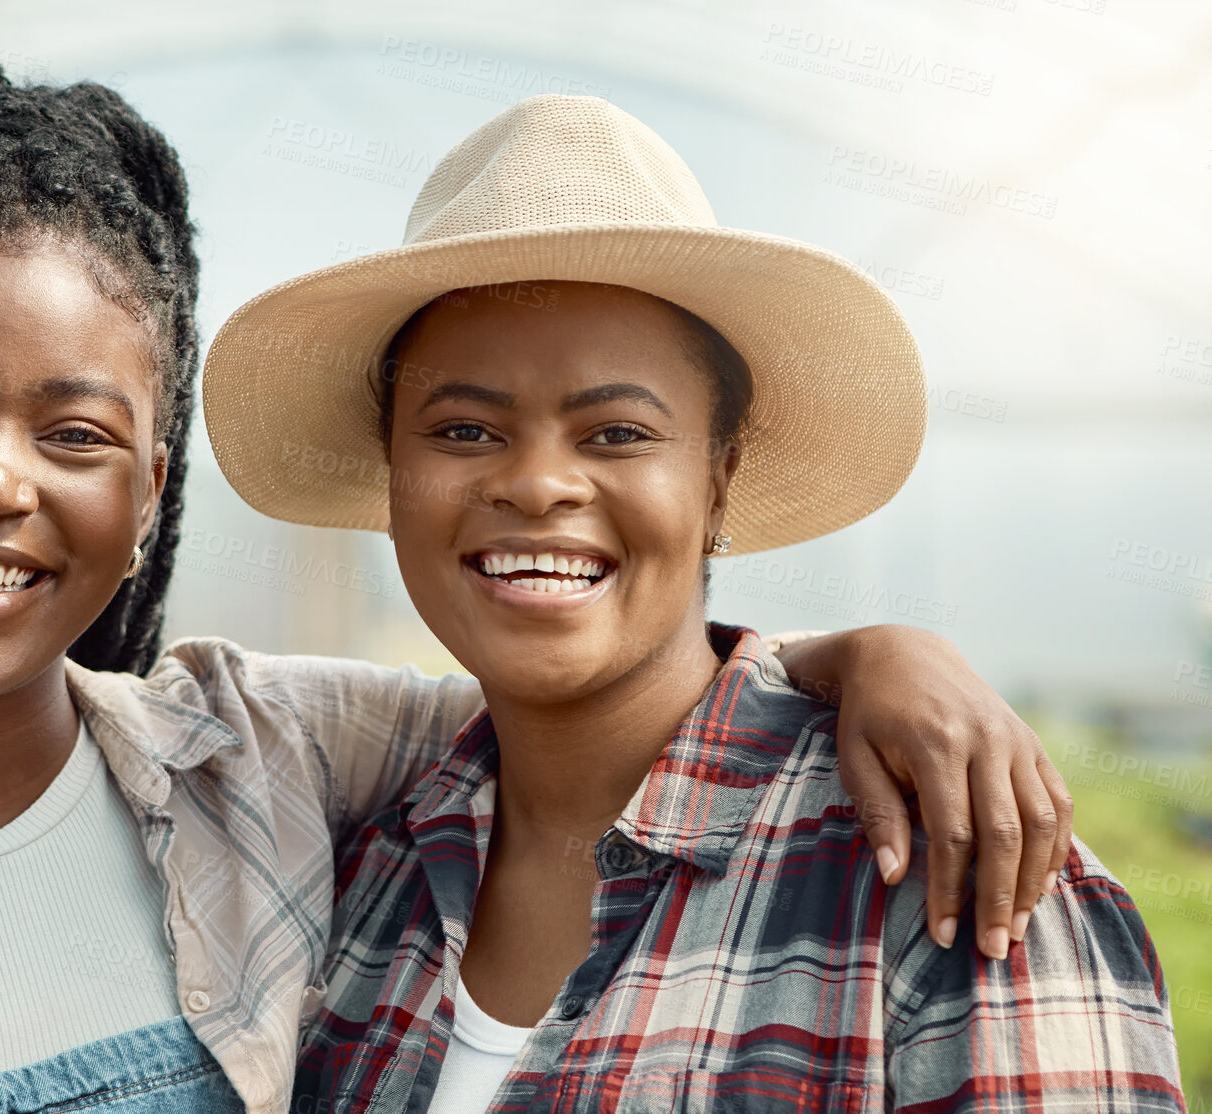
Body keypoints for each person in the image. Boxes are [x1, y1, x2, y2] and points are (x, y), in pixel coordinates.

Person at [0, 67, 1077, 1114]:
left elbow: (597, 687)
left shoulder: (257, 764)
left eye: (75, 431)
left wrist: (868, 656)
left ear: (146, 491)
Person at [198, 94, 1186, 1111]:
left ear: (718, 478)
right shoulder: (366, 854)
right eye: (462, 430)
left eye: (617, 432)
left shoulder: (942, 869)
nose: (538, 485)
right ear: (392, 474)